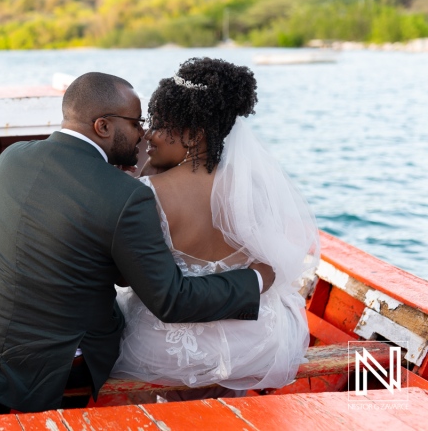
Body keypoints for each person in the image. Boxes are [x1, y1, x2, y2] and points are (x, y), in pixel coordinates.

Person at [0, 72, 275, 415]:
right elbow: (172, 302)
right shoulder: (125, 196)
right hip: (54, 364)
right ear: (103, 126)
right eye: (136, 122)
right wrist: (255, 279)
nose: (143, 133)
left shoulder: (13, 158)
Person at [110, 58, 320, 395]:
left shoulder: (146, 194)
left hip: (167, 350)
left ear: (193, 136)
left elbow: (123, 276)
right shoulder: (253, 186)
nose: (149, 133)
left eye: (161, 124)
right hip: (254, 342)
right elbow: (276, 264)